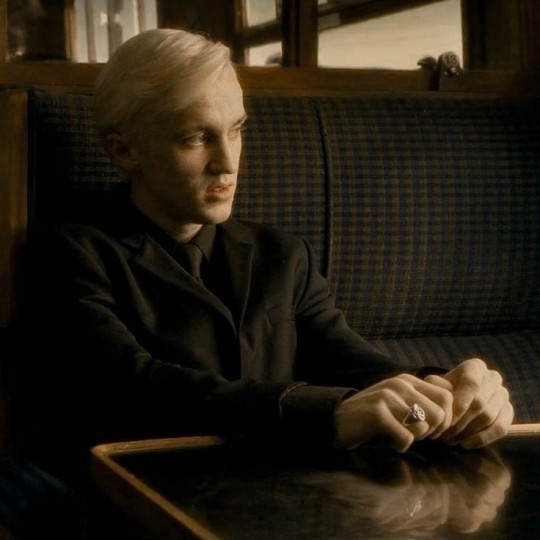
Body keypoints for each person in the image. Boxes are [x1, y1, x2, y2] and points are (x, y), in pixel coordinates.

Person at [12, 28, 513, 488]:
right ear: (125, 151)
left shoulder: (281, 254)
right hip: (141, 499)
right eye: (196, 137)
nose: (228, 162)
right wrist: (329, 414)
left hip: (283, 494)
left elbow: (351, 360)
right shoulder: (68, 252)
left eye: (236, 129)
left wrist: (445, 390)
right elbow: (135, 387)